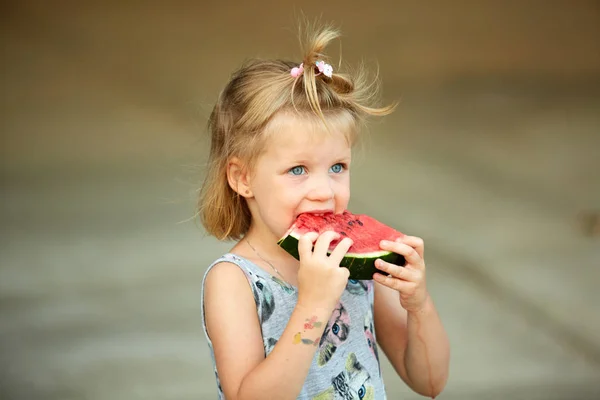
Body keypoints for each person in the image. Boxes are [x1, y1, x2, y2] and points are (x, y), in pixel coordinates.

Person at [198, 24, 450, 399]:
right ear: (242, 177)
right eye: (297, 170)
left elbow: (429, 382)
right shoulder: (234, 282)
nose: (323, 192)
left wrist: (419, 305)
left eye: (337, 168)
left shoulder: (354, 266)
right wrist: (313, 305)